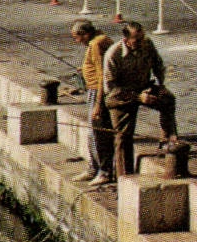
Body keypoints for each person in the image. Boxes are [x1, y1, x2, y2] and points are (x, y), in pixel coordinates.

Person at [100, 20, 178, 177]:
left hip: (144, 86)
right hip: (122, 96)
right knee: (123, 136)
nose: (142, 43)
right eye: (137, 40)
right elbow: (111, 90)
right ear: (126, 40)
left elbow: (158, 65)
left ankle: (169, 142)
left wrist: (159, 85)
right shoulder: (112, 55)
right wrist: (137, 97)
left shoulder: (147, 44)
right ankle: (124, 175)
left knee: (168, 100)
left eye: (143, 38)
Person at [71, 19, 116, 187]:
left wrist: (98, 104)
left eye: (77, 37)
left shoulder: (97, 45)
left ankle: (103, 171)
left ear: (86, 34)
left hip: (98, 93)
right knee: (93, 133)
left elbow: (101, 75)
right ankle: (93, 168)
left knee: (97, 133)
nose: (77, 41)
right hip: (95, 90)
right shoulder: (98, 41)